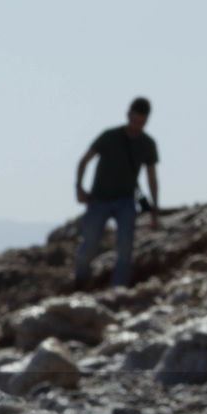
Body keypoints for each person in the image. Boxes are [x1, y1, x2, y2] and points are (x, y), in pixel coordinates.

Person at [74, 97, 159, 289]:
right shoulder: (109, 137)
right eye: (135, 120)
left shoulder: (147, 144)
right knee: (89, 245)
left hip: (126, 201)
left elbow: (152, 178)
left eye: (142, 122)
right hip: (99, 200)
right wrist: (79, 188)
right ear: (129, 115)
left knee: (125, 247)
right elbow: (84, 160)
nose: (137, 126)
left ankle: (117, 292)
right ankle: (80, 283)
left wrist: (155, 208)